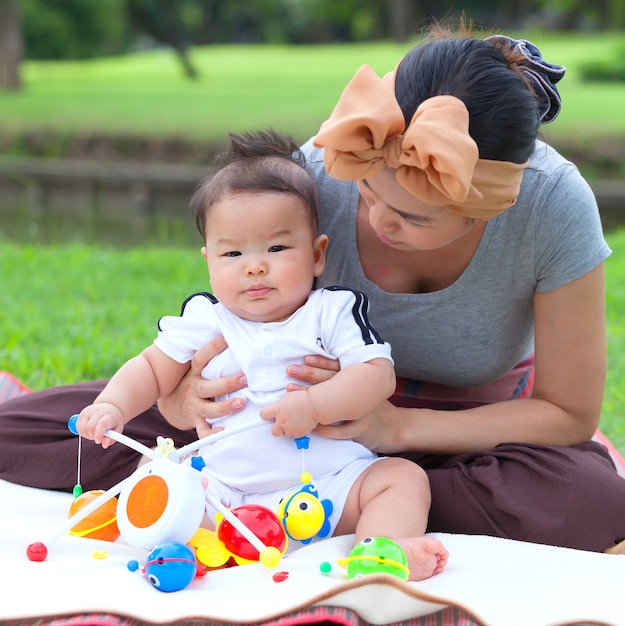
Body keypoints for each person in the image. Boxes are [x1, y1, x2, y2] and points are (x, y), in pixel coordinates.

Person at [2, 21, 625, 555]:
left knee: (592, 499)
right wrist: (181, 399)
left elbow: (568, 414)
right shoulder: (324, 169)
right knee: (41, 429)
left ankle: (356, 498)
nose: (380, 223)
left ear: (490, 211)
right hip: (277, 420)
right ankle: (331, 505)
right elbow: (235, 305)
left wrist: (397, 431)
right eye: (371, 196)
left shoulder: (550, 206)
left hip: (463, 429)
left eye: (414, 219)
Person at [73, 129, 449, 581]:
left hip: (325, 488)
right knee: (154, 467)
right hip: (224, 495)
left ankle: (380, 551)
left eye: (276, 248)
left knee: (403, 479)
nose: (254, 266)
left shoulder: (331, 311)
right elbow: (151, 368)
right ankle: (186, 544)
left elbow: (375, 375)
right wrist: (112, 405)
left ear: (316, 255)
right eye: (232, 252)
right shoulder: (205, 318)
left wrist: (315, 405)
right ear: (208, 259)